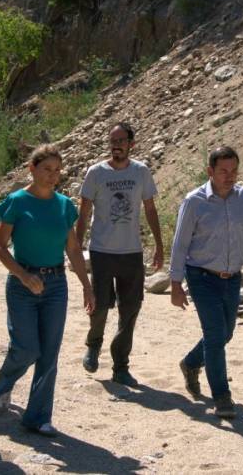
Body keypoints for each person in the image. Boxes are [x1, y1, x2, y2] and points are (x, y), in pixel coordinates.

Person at [0, 144, 95, 437]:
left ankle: (37, 417)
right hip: (23, 284)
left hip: (56, 285)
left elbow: (73, 249)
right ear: (32, 169)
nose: (53, 176)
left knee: (49, 352)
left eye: (57, 171)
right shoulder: (16, 201)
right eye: (47, 169)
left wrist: (87, 286)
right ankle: (5, 381)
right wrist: (23, 276)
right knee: (27, 348)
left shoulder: (64, 205)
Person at [170, 146, 243, 419]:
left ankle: (191, 363)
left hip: (232, 278)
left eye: (234, 170)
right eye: (223, 171)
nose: (230, 176)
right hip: (201, 276)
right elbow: (180, 245)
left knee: (225, 334)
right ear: (210, 172)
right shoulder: (194, 201)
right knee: (215, 335)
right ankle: (222, 395)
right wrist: (176, 284)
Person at [76, 122, 164, 387]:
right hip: (102, 251)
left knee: (131, 309)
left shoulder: (141, 172)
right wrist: (76, 248)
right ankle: (93, 344)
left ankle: (120, 365)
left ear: (131, 144)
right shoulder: (96, 173)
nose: (116, 145)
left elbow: (149, 209)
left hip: (131, 252)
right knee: (100, 305)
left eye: (121, 140)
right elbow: (84, 212)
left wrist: (159, 245)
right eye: (112, 140)